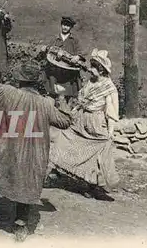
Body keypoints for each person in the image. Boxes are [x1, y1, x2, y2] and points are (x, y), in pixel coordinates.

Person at [0, 62, 72, 242]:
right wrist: (61, 97)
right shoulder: (46, 103)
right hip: (34, 156)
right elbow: (65, 121)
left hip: (6, 150)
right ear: (37, 82)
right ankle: (20, 224)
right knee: (28, 181)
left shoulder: (7, 92)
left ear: (19, 79)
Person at [49, 49, 119, 200]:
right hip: (81, 119)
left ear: (101, 70)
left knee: (97, 153)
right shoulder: (90, 82)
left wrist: (110, 131)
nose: (90, 69)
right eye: (91, 66)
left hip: (96, 121)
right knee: (68, 140)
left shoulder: (108, 87)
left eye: (94, 67)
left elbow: (111, 111)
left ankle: (95, 187)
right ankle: (62, 170)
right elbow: (81, 100)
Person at [39, 16, 85, 108]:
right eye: (64, 24)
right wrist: (44, 50)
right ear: (61, 25)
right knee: (52, 94)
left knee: (67, 96)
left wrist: (77, 57)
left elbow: (81, 54)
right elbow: (47, 52)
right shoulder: (55, 39)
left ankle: (65, 114)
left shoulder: (74, 40)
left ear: (71, 27)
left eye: (68, 26)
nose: (65, 27)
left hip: (67, 73)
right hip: (54, 72)